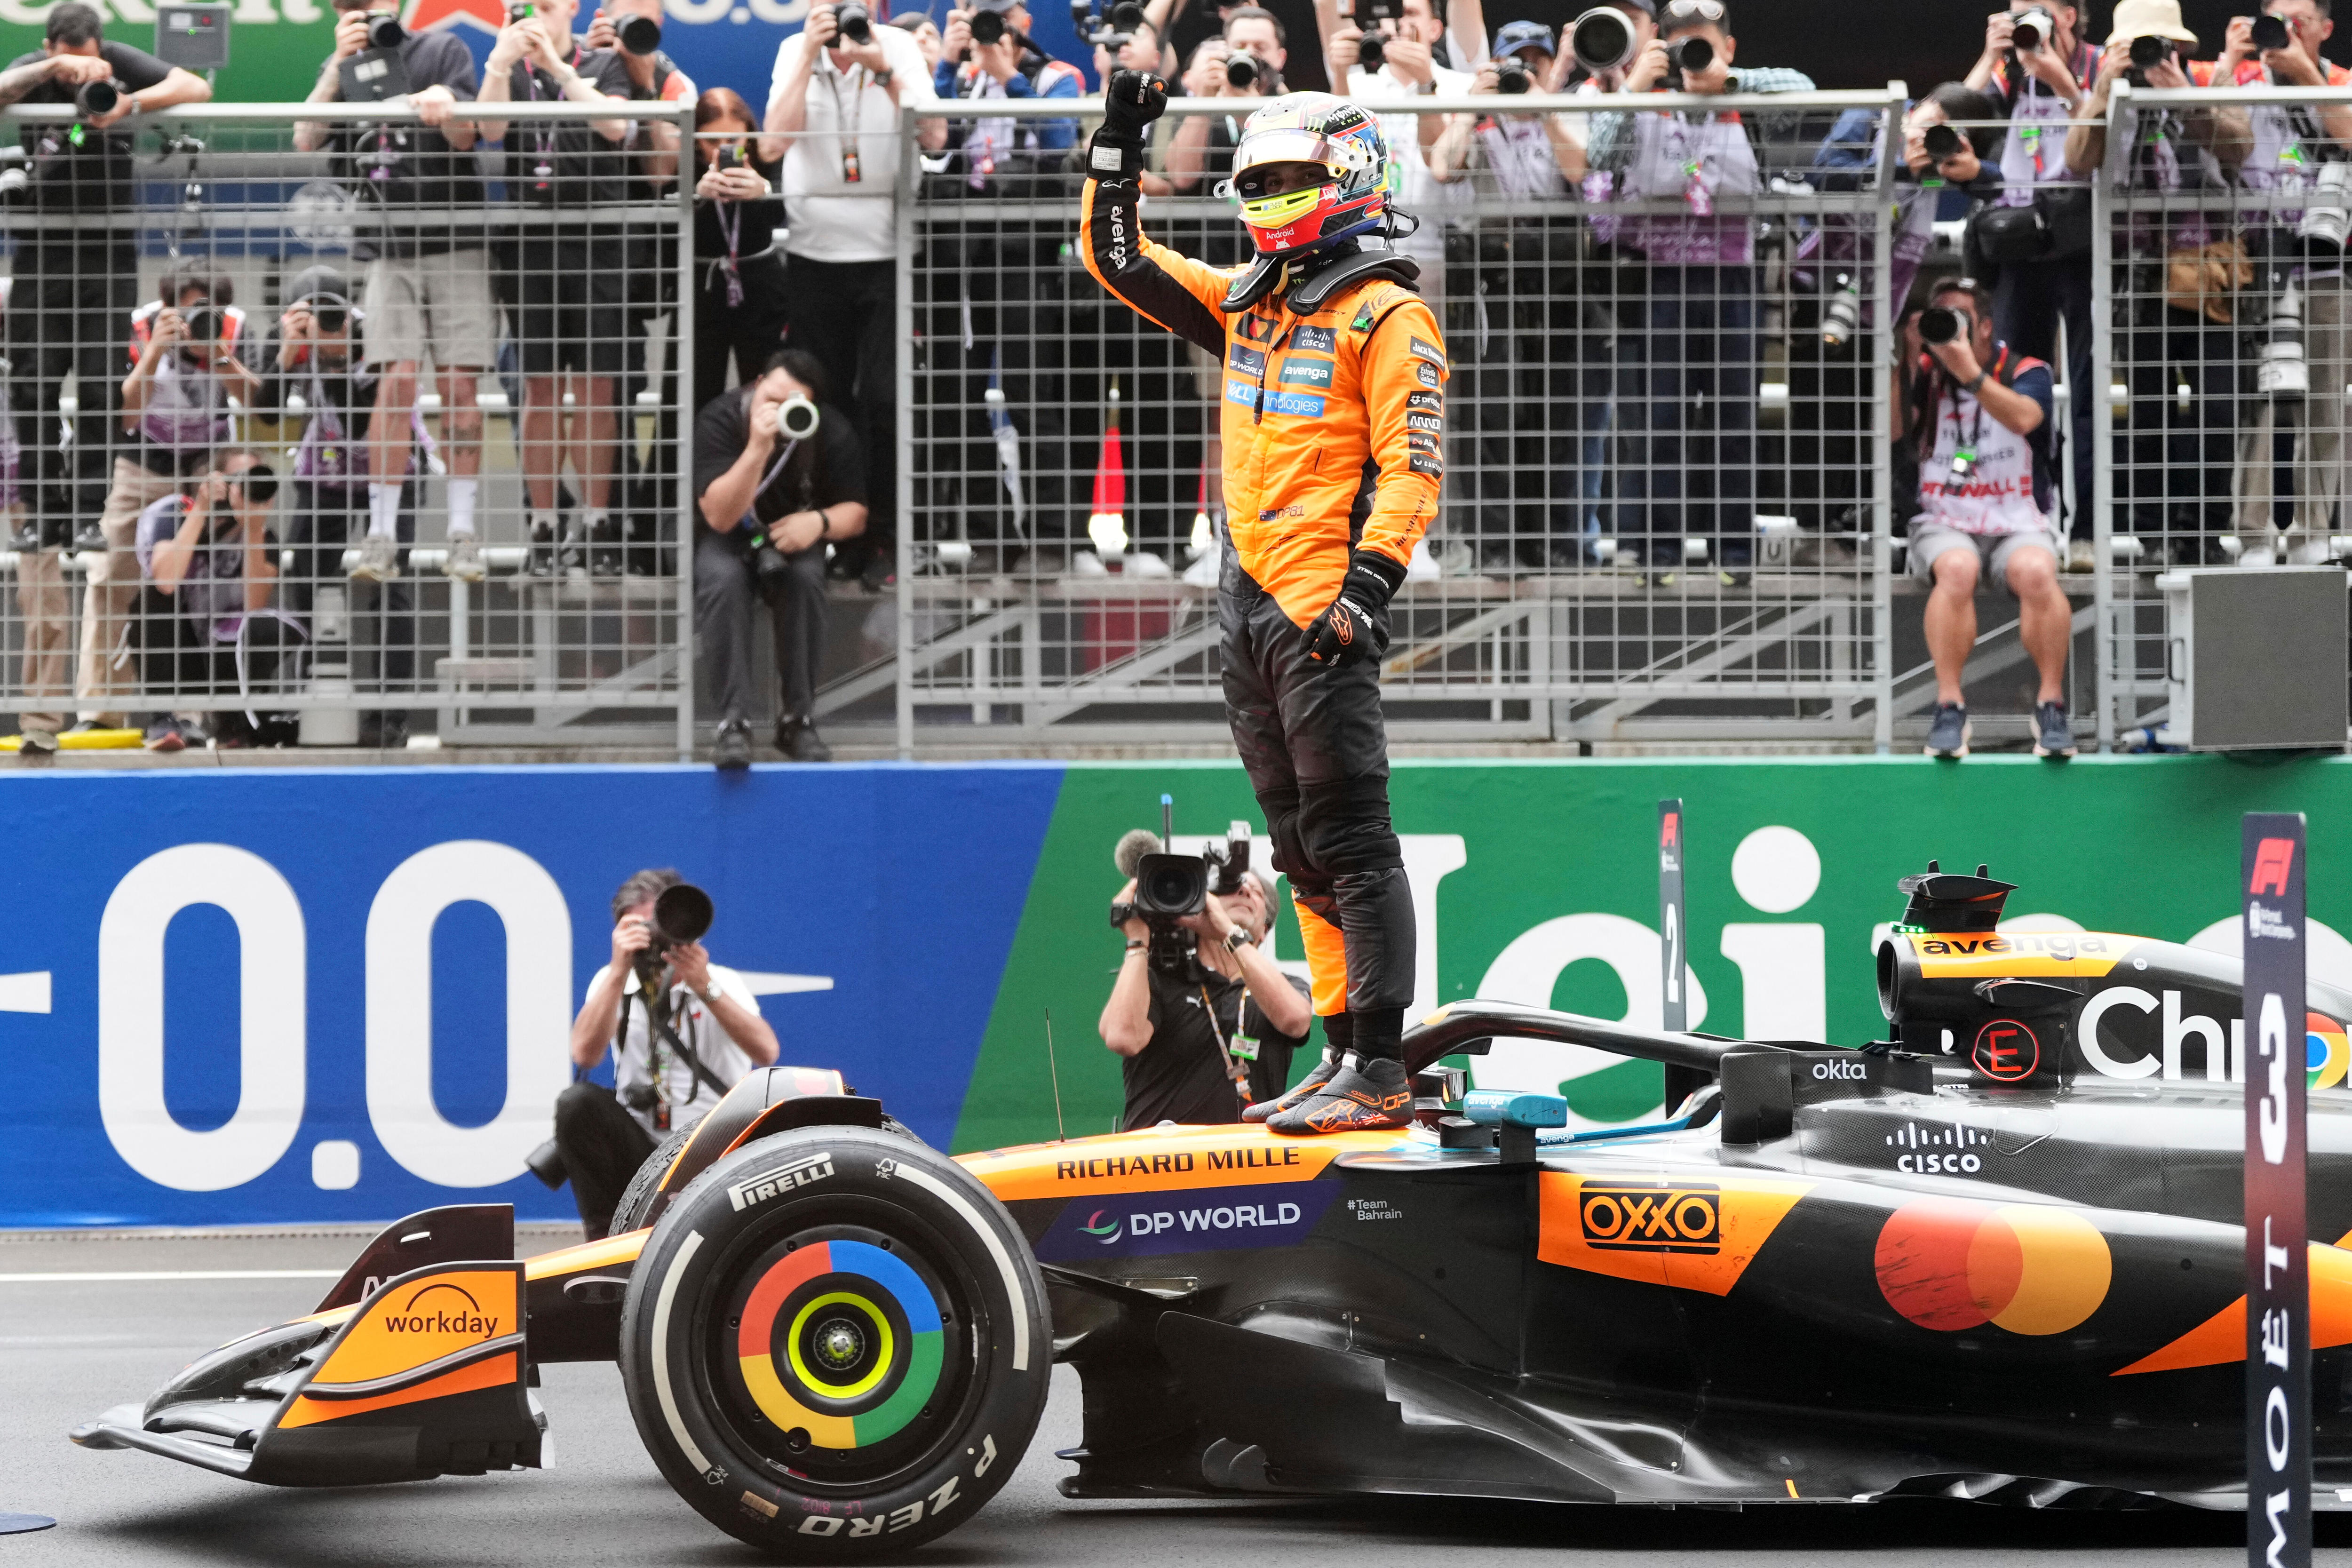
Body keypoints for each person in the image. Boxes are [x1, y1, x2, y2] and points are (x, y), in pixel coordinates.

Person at [1082, 79, 1440, 1133]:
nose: (1272, 194)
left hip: (1322, 599)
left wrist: (1367, 587)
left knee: (1354, 842)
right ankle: (1343, 1054)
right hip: (1243, 600)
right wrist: (1119, 143)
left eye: (1291, 176)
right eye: (1258, 179)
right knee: (1300, 851)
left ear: (1352, 176)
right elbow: (1120, 260)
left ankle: (1381, 1065)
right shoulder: (1247, 298)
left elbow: (1412, 468)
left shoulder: (1390, 311)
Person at [0, 3, 210, 739]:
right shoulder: (35, 68)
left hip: (109, 251)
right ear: (54, 46)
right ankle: (46, 514)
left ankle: (88, 512)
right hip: (40, 251)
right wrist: (53, 72)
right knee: (32, 384)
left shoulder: (118, 59)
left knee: (97, 385)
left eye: (90, 56)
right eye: (73, 60)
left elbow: (196, 86)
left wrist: (126, 103)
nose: (84, 71)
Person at [1586, 0, 1811, 583]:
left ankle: (1732, 551)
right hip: (1656, 280)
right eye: (1679, 44)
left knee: (1733, 420)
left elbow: (1804, 89)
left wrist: (1726, 81)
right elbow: (1599, 155)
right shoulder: (1643, 100)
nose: (1690, 55)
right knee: (1657, 420)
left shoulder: (1746, 99)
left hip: (1732, 278)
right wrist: (1634, 87)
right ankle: (1654, 551)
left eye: (1702, 44)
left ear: (1727, 48)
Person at [295, 0, 493, 589]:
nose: (367, 14)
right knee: (396, 383)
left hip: (456, 240)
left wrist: (442, 101)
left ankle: (462, 531)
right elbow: (306, 138)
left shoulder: (441, 48)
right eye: (353, 9)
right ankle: (380, 533)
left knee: (459, 387)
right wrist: (336, 65)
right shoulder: (343, 65)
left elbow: (466, 137)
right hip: (386, 246)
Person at [2063, 0, 2249, 563]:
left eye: (2157, 46)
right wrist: (2102, 90)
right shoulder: (2108, 92)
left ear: (2179, 48)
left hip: (2208, 274)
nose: (2148, 58)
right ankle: (2155, 533)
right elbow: (2077, 160)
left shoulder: (2205, 82)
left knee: (2219, 408)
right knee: (2148, 413)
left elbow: (2239, 146)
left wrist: (2183, 96)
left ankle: (2204, 530)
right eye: (2137, 47)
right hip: (2138, 279)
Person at [767, 0, 945, 591]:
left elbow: (935, 135)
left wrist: (881, 68)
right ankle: (840, 532)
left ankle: (886, 535)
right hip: (814, 253)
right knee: (828, 404)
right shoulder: (794, 50)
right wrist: (806, 57)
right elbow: (773, 143)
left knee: (887, 399)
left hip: (888, 252)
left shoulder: (896, 45)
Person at [475, 0, 635, 579]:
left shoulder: (603, 63)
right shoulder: (507, 67)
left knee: (596, 389)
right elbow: (490, 131)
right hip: (530, 241)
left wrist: (561, 70)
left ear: (571, 7)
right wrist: (500, 62)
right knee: (539, 389)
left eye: (547, 5)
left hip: (597, 241)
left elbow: (616, 128)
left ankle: (598, 522)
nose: (537, 16)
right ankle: (543, 526)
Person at [2193, 0, 2352, 566]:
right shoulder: (2241, 78)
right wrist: (2226, 62)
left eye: (2297, 23)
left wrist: (2303, 72)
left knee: (2326, 406)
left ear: (2324, 29)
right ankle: (2254, 534)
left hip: (2326, 267)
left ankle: (2311, 532)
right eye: (2275, 21)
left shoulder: (2340, 81)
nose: (2283, 32)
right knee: (2262, 404)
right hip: (2258, 263)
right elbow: (2210, 138)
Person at [1430, 21, 1588, 571]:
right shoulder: (1477, 119)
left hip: (1557, 274)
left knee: (1555, 412)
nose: (1525, 73)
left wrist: (1543, 108)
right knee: (1491, 412)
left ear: (1549, 69)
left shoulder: (1562, 111)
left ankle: (1550, 541)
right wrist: (1470, 110)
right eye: (1514, 64)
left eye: (1535, 63)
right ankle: (1495, 546)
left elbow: (1578, 169)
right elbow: (1442, 167)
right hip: (1490, 274)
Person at [1895, 276, 2074, 760]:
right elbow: (1891, 431)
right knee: (1957, 569)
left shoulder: (2025, 369)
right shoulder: (1926, 372)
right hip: (1944, 517)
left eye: (1960, 318)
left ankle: (2051, 706)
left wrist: (1970, 374)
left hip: (2016, 517)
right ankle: (1949, 707)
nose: (1950, 328)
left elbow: (2024, 418)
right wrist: (1908, 359)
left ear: (1986, 327)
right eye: (1941, 317)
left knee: (2037, 572)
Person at [555, 867, 779, 1241]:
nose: (656, 938)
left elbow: (767, 1050)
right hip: (641, 1150)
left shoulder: (720, 980)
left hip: (715, 1145)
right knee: (576, 1103)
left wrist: (703, 985)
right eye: (641, 927)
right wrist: (618, 970)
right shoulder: (613, 981)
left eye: (662, 924)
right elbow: (585, 1055)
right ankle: (603, 1243)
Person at [257, 265, 420, 748]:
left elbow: (359, 420)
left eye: (330, 312)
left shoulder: (372, 333)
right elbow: (267, 413)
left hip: (391, 467)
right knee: (305, 575)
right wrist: (286, 355)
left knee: (390, 583)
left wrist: (335, 356)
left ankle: (390, 712)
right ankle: (304, 696)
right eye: (308, 313)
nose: (322, 321)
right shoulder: (286, 334)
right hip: (326, 468)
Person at [1964, 0, 2099, 566]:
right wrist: (1988, 55)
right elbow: (1956, 120)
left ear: (2067, 16)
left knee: (2090, 391)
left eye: (2037, 11)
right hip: (2020, 245)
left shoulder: (2097, 65)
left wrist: (2061, 82)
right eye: (2015, 11)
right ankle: (2029, 519)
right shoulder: (2009, 70)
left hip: (2083, 243)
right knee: (2020, 389)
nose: (2026, 23)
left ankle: (2088, 529)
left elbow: (2106, 142)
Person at [100, 271, 259, 744]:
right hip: (142, 458)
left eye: (205, 310)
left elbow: (262, 405)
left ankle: (187, 716)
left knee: (197, 585)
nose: (195, 320)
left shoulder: (234, 328)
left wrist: (220, 356)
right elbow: (126, 415)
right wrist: (154, 352)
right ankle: (103, 711)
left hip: (207, 462)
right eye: (186, 309)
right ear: (166, 306)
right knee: (112, 579)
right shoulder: (141, 327)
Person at [693, 350, 869, 766]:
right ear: (756, 384)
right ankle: (734, 723)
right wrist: (757, 448)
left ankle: (798, 720)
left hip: (793, 534)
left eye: (794, 405)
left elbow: (857, 513)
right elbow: (718, 515)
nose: (777, 410)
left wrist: (820, 522)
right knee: (723, 580)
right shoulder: (721, 418)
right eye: (771, 398)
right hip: (727, 533)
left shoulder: (829, 430)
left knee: (806, 579)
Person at [1100, 866, 1315, 1127]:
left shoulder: (1285, 986)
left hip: (1249, 1151)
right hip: (1159, 1149)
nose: (1244, 890)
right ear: (1198, 907)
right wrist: (1137, 942)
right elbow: (1122, 1038)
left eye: (1256, 892)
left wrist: (1230, 934)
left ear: (1264, 931)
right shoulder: (1161, 979)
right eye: (1229, 888)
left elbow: (1295, 1021)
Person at [133, 452, 301, 750]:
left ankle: (234, 723)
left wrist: (252, 528)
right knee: (150, 602)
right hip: (181, 647)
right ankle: (167, 718)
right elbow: (165, 582)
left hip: (225, 654)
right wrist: (202, 508)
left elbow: (254, 606)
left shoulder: (263, 537)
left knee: (262, 626)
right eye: (238, 480)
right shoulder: (175, 514)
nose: (244, 488)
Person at [690, 89, 788, 417]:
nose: (724, 150)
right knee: (695, 386)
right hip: (702, 284)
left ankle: (771, 449)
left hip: (761, 282)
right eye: (711, 141)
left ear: (749, 133)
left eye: (734, 140)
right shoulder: (684, 162)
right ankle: (693, 451)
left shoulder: (768, 155)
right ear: (695, 139)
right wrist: (696, 198)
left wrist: (765, 191)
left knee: (765, 383)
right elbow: (665, 216)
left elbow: (784, 213)